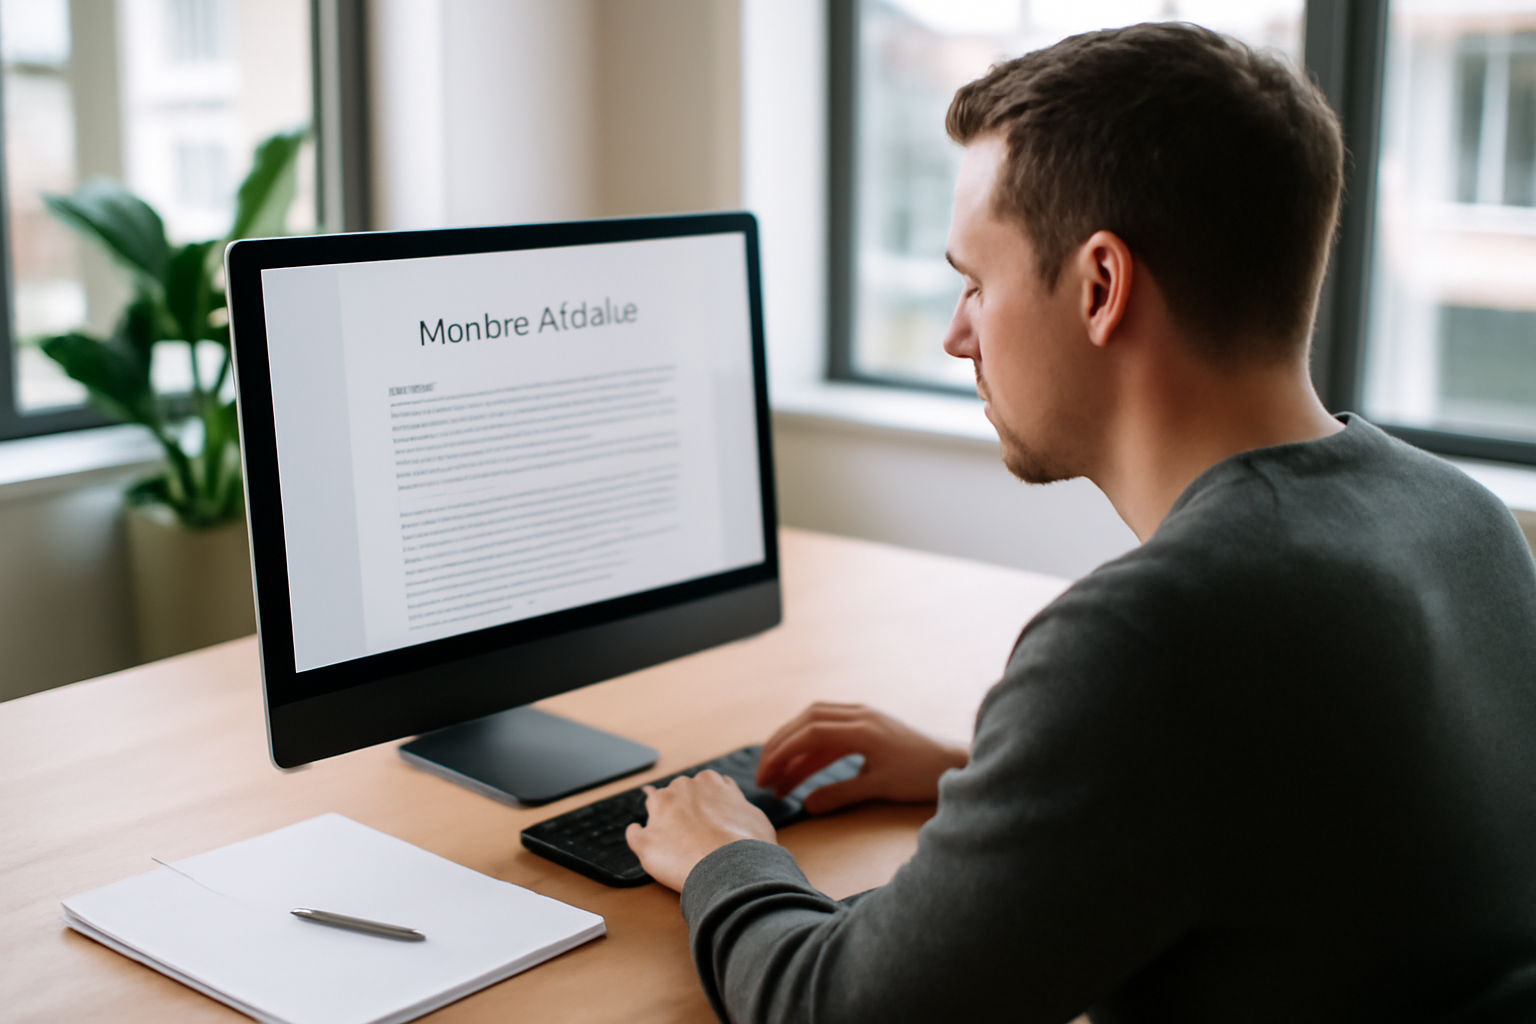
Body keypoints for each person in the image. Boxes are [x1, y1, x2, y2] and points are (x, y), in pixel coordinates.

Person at [626, 23, 1536, 1024]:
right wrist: (995, 779)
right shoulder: (1463, 517)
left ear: (1101, 286)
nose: (954, 333)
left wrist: (727, 853)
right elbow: (1315, 810)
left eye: (976, 282)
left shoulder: (1157, 636)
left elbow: (837, 1008)